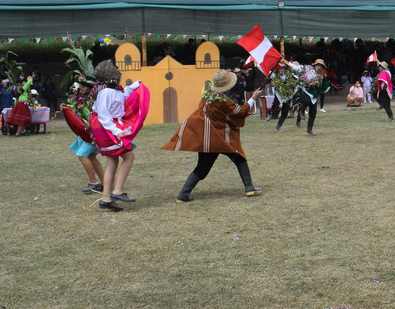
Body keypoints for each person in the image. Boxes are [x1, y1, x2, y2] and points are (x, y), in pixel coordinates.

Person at [164, 69, 264, 201]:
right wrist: (253, 98)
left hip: (206, 138)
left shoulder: (206, 97)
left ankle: (183, 194)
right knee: (239, 158)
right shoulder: (222, 101)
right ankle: (249, 188)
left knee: (202, 167)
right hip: (218, 138)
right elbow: (239, 111)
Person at [90, 60, 149, 211]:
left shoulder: (113, 90)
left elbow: (123, 95)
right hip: (106, 128)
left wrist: (134, 86)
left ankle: (106, 199)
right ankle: (117, 191)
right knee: (128, 157)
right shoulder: (106, 93)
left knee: (113, 161)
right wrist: (116, 131)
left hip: (108, 127)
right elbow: (103, 115)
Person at [66, 79, 104, 194]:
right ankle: (105, 182)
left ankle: (94, 182)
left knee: (82, 155)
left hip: (92, 131)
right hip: (89, 131)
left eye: (83, 86)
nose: (80, 88)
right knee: (91, 156)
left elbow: (88, 114)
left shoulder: (92, 99)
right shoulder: (82, 98)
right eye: (80, 86)